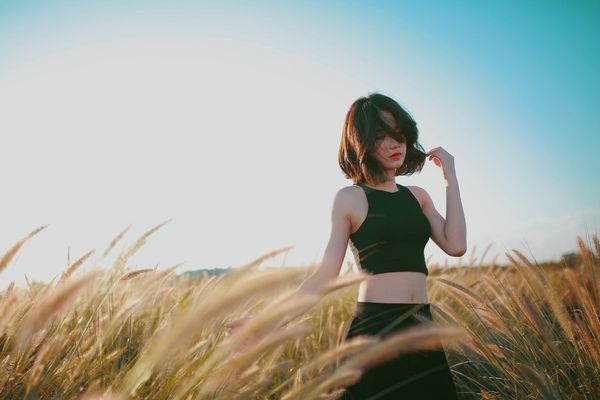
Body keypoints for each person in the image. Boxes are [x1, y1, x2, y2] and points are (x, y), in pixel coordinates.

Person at [226, 92, 466, 399]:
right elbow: (325, 277)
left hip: (422, 326)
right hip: (375, 332)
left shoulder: (418, 196)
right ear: (361, 143)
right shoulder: (350, 199)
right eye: (381, 136)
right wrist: (266, 321)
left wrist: (451, 178)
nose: (395, 144)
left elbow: (456, 245)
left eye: (399, 135)